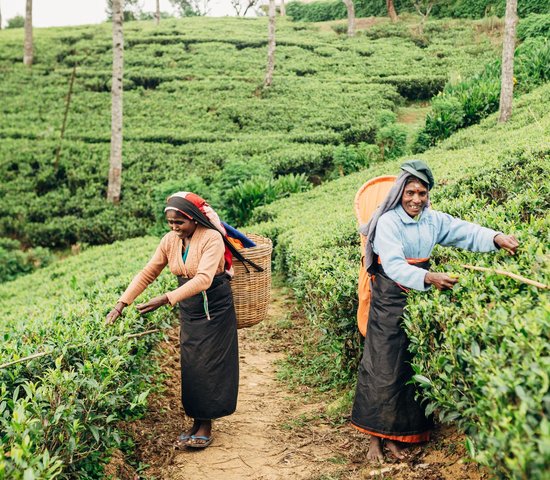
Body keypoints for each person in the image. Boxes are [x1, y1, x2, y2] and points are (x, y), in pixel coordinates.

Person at [351, 160, 519, 461]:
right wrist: (428, 277)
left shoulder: (431, 220)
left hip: (419, 294)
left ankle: (398, 436)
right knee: (383, 367)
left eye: (422, 193)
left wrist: (496, 238)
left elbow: (462, 231)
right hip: (390, 297)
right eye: (410, 192)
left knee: (407, 368)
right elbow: (393, 264)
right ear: (400, 192)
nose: (416, 199)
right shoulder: (388, 222)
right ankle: (375, 440)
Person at [106, 192, 258, 449]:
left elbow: (203, 279)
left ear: (195, 219)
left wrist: (166, 298)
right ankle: (196, 421)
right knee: (192, 364)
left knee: (210, 364)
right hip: (189, 308)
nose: (175, 228)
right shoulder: (169, 241)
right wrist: (121, 304)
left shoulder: (211, 238)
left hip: (215, 307)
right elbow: (148, 272)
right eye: (170, 223)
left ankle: (206, 424)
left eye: (180, 222)